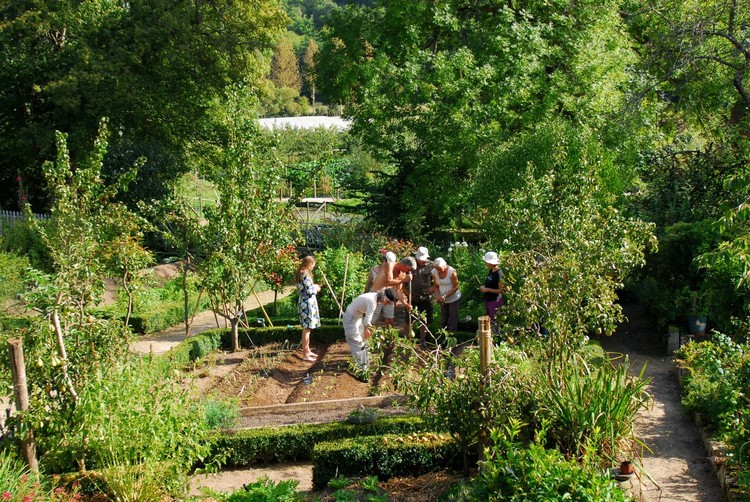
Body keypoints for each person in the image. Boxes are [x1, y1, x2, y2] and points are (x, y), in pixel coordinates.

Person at [343, 288, 399, 381]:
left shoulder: (375, 298)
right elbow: (368, 320)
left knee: (364, 342)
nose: (387, 304)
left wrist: (370, 331)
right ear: (384, 296)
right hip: (351, 319)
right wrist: (367, 330)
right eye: (388, 301)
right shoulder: (372, 301)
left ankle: (365, 368)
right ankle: (362, 373)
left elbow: (367, 320)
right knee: (357, 342)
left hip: (357, 317)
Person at [296, 255, 321, 361]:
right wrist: (316, 288)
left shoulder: (301, 273)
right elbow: (309, 291)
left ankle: (307, 350)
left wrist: (313, 286)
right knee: (307, 328)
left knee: (308, 328)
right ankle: (305, 354)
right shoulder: (305, 274)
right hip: (307, 305)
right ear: (310, 264)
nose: (313, 268)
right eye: (313, 265)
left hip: (305, 303)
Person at [364, 251, 397, 327]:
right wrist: (365, 294)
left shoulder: (392, 271)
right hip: (376, 296)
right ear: (383, 260)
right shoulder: (374, 270)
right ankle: (373, 337)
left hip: (388, 297)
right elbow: (368, 283)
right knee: (374, 319)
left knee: (390, 319)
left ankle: (389, 337)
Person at [411, 246, 434, 344]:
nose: (421, 261)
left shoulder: (431, 266)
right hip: (412, 296)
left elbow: (437, 278)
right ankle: (409, 339)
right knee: (409, 319)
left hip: (425, 296)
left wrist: (433, 288)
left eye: (423, 259)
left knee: (426, 319)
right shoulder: (411, 264)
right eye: (419, 259)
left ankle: (422, 339)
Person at [432, 257, 461, 332]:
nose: (438, 271)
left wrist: (445, 296)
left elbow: (456, 287)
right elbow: (435, 286)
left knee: (452, 317)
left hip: (453, 297)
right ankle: (443, 334)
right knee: (444, 317)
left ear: (444, 266)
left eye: (440, 269)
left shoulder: (452, 272)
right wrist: (437, 296)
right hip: (442, 298)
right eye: (436, 269)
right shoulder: (434, 272)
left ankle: (452, 336)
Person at [479, 251, 504, 334]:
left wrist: (487, 289)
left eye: (486, 262)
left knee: (494, 322)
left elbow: (500, 290)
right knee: (488, 321)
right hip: (488, 299)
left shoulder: (499, 273)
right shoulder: (491, 270)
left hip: (495, 301)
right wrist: (484, 287)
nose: (485, 263)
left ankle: (497, 339)